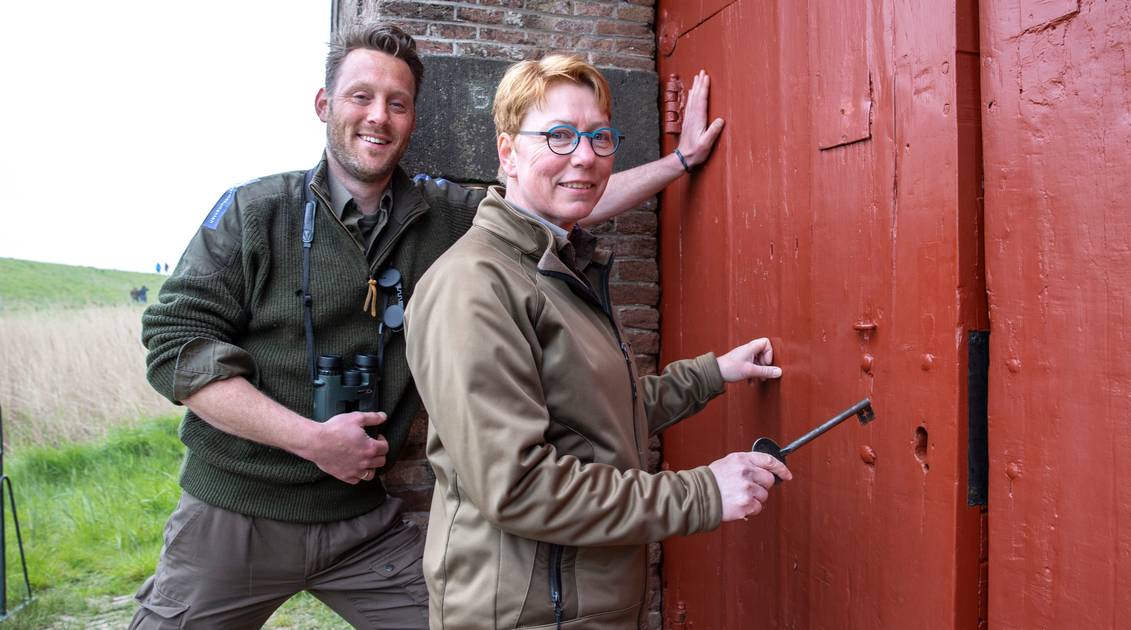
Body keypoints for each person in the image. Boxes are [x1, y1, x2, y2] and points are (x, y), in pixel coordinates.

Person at [133, 20, 725, 630]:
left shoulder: (442, 215)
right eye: (361, 96)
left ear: (414, 118)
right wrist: (308, 439)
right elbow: (175, 347)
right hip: (236, 512)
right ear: (324, 105)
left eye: (398, 103)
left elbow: (564, 191)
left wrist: (681, 161)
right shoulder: (256, 212)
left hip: (359, 525)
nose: (378, 116)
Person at [405, 54, 791, 630]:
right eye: (559, 136)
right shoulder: (473, 286)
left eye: (600, 137)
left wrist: (712, 374)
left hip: (580, 607)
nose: (585, 156)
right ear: (507, 153)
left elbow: (594, 415)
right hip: (528, 617)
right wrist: (701, 492)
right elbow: (519, 486)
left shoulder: (554, 264)